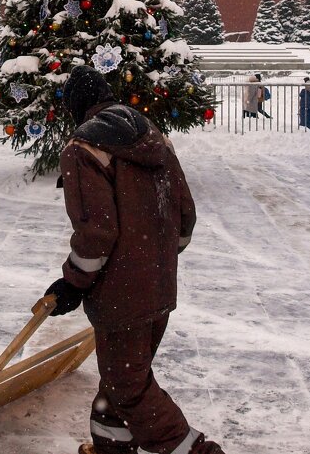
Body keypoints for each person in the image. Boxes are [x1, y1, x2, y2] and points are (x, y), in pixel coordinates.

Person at [45, 65, 225, 454]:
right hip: (160, 287)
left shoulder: (83, 148)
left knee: (128, 387)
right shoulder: (153, 136)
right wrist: (156, 259)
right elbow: (185, 215)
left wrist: (73, 282)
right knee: (121, 381)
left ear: (76, 105)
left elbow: (96, 233)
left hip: (120, 296)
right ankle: (111, 447)